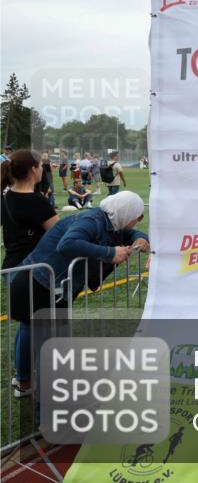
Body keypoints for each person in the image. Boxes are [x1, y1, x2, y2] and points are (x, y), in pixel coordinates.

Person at [9, 191, 149, 395]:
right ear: (126, 213)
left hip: (53, 285)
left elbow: (128, 234)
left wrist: (140, 237)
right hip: (38, 282)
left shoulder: (110, 220)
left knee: (38, 333)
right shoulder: (91, 220)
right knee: (34, 333)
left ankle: (30, 382)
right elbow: (67, 243)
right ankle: (28, 384)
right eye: (138, 216)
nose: (138, 220)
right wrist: (110, 253)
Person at [1, 150, 60, 396]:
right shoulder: (35, 201)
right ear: (34, 169)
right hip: (30, 270)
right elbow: (58, 232)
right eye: (40, 166)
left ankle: (23, 377)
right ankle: (24, 381)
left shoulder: (5, 196)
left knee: (28, 324)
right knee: (31, 324)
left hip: (14, 266)